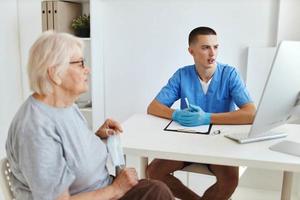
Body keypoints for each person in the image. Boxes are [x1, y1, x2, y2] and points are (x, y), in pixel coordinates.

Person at [5, 31, 174, 200]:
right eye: (80, 63)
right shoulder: (35, 128)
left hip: (103, 188)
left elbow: (70, 155)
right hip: (100, 193)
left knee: (157, 190)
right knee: (157, 193)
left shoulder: (67, 106)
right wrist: (116, 189)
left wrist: (96, 138)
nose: (87, 70)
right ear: (55, 73)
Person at [146, 27, 256, 200]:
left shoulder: (230, 75)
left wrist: (207, 117)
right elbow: (153, 107)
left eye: (216, 47)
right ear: (191, 51)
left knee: (230, 180)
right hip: (187, 143)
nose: (212, 53)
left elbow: (250, 114)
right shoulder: (182, 75)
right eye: (205, 47)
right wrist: (175, 114)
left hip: (219, 144)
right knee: (153, 171)